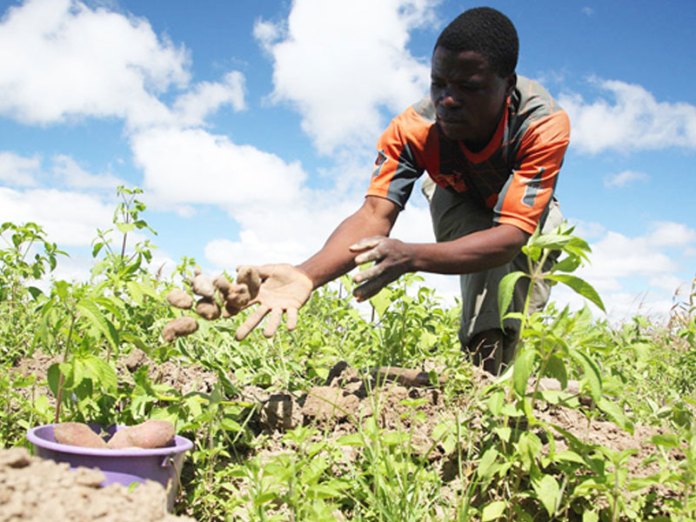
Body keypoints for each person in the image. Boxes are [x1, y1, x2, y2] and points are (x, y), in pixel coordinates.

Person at [234, 7, 569, 374]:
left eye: (469, 88)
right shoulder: (414, 131)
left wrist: (411, 256)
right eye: (438, 83)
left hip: (523, 213)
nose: (448, 100)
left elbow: (509, 237)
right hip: (456, 196)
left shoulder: (541, 124)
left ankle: (507, 380)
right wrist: (306, 274)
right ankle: (482, 383)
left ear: (507, 85)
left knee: (519, 307)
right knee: (489, 315)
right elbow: (373, 215)